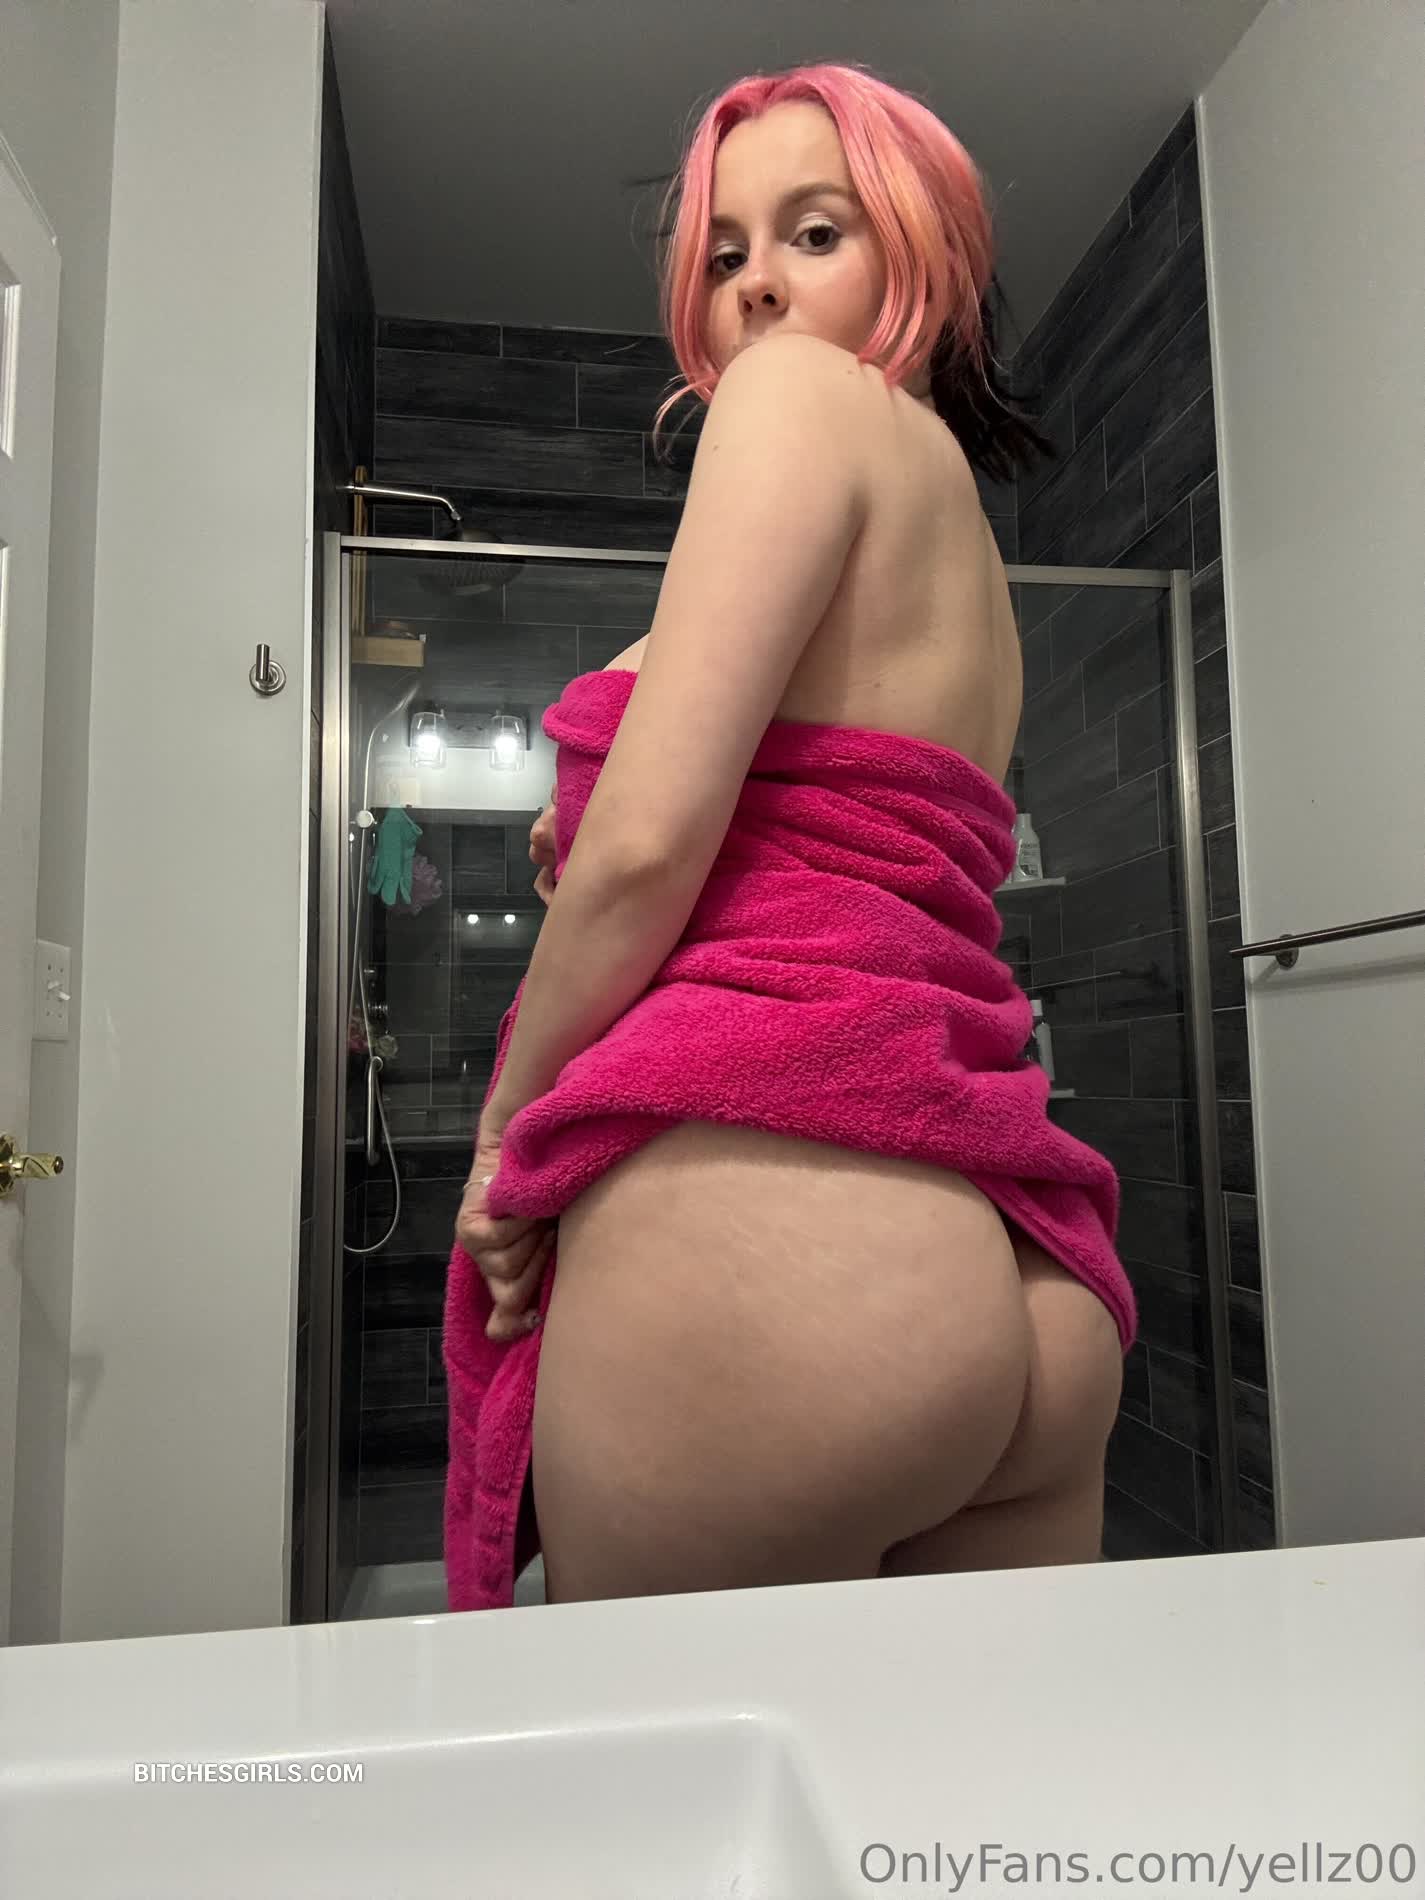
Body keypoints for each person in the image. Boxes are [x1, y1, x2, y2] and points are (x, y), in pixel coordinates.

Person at [451, 61, 1131, 1605]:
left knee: (675, 1767)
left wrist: (506, 1128)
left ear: (921, 248)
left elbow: (644, 849)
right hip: (1016, 1254)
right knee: (976, 1767)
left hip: (773, 1237)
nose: (757, 285)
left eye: (814, 232)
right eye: (723, 252)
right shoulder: (957, 547)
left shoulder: (793, 398)